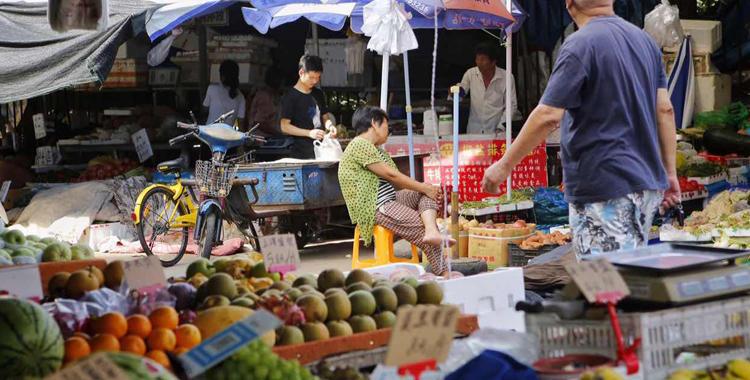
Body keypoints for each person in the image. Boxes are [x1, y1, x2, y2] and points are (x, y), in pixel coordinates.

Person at [481, 0, 680, 258]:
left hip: (605, 185)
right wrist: (670, 173)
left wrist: (503, 166)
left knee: (604, 283)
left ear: (569, 3)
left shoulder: (580, 44)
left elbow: (548, 116)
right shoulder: (645, 43)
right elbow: (665, 109)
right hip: (645, 185)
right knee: (626, 273)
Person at [338, 106, 454, 276]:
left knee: (424, 194)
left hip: (390, 198)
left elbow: (397, 182)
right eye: (386, 126)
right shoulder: (359, 145)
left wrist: (426, 189)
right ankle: (444, 273)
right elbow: (391, 175)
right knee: (420, 214)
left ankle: (432, 231)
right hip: (374, 206)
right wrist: (424, 187)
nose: (388, 131)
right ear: (374, 124)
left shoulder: (376, 150)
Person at [280, 54, 335, 159]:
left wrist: (330, 127)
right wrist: (309, 133)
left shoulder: (318, 94)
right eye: (311, 77)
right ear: (301, 73)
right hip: (300, 153)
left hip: (321, 150)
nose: (315, 81)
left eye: (318, 77)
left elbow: (325, 117)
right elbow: (284, 127)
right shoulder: (290, 97)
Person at [458, 42, 519, 135]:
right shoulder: (470, 74)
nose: (479, 62)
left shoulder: (507, 77)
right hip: (474, 132)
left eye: (482, 59)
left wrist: (501, 126)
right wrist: (456, 91)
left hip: (497, 131)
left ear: (493, 62)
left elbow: (511, 106)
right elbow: (462, 91)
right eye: (477, 59)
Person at [202, 60, 245, 128]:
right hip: (227, 136)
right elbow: (241, 122)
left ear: (221, 75)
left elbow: (204, 109)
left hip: (209, 134)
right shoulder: (241, 97)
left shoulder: (211, 89)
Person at [248, 67, 283, 137]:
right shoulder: (264, 97)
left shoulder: (275, 95)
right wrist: (277, 133)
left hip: (268, 139)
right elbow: (259, 122)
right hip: (259, 140)